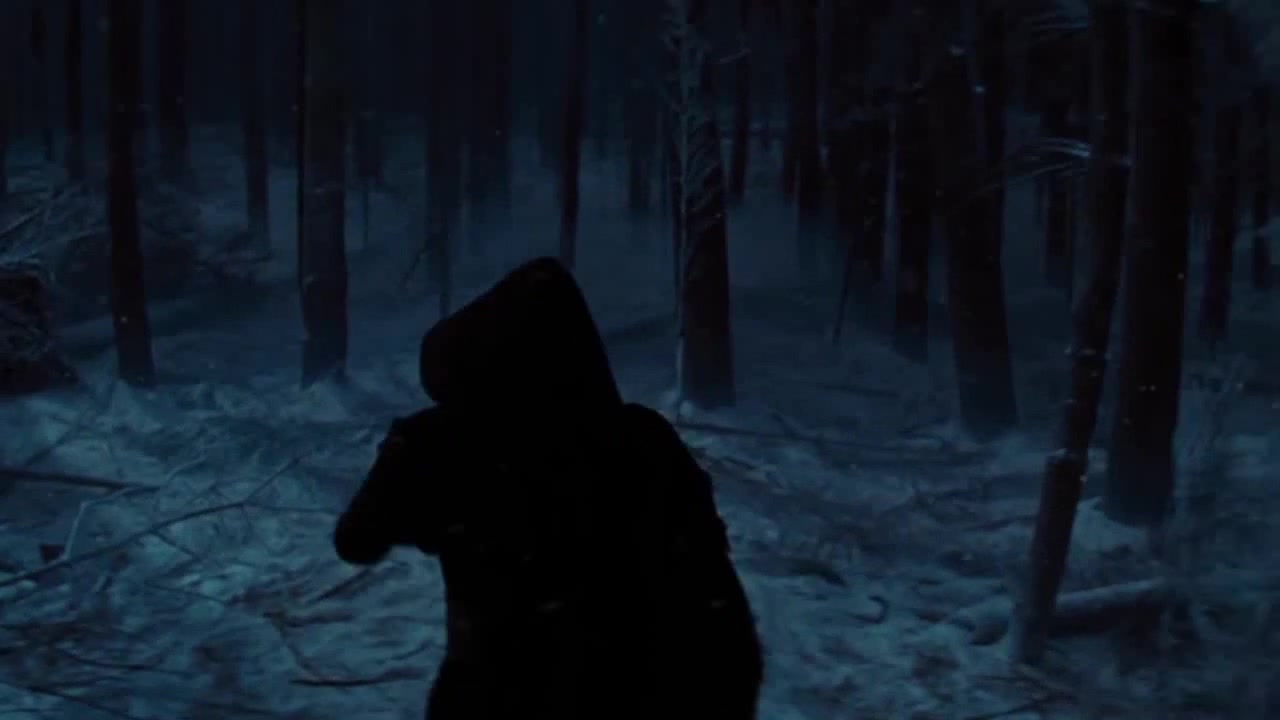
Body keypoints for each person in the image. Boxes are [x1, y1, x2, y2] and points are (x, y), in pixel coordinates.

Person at [334, 257, 763, 719]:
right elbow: (722, 621)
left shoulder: (445, 444)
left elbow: (357, 538)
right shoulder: (640, 441)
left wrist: (408, 459)